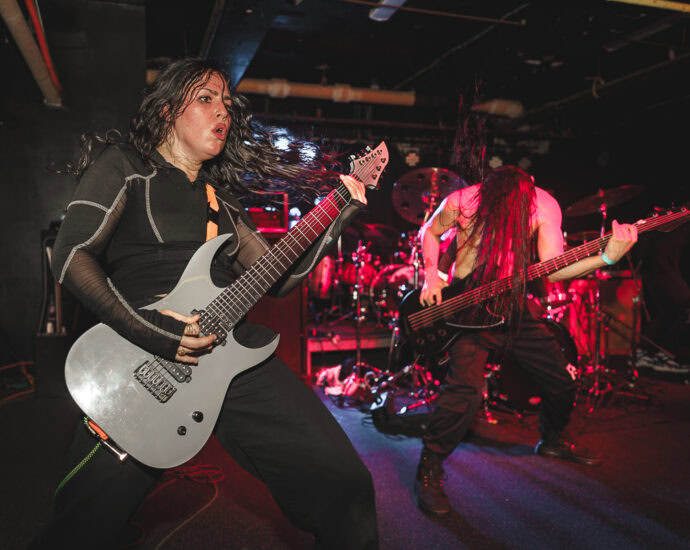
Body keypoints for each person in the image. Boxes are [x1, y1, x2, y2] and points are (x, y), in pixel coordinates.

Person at [31, 58, 378, 549]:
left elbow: (279, 278)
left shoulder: (223, 202)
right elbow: (71, 256)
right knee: (84, 528)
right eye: (206, 98)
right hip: (139, 359)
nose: (223, 112)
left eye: (228, 105)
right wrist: (150, 330)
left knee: (344, 481)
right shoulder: (126, 166)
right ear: (169, 109)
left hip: (228, 354)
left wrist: (339, 210)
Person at [414, 166, 638, 517]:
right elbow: (429, 231)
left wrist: (607, 257)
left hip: (513, 306)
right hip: (469, 307)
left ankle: (552, 439)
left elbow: (553, 268)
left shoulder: (543, 206)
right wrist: (432, 274)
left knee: (561, 377)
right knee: (465, 393)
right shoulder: (464, 200)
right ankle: (429, 465)